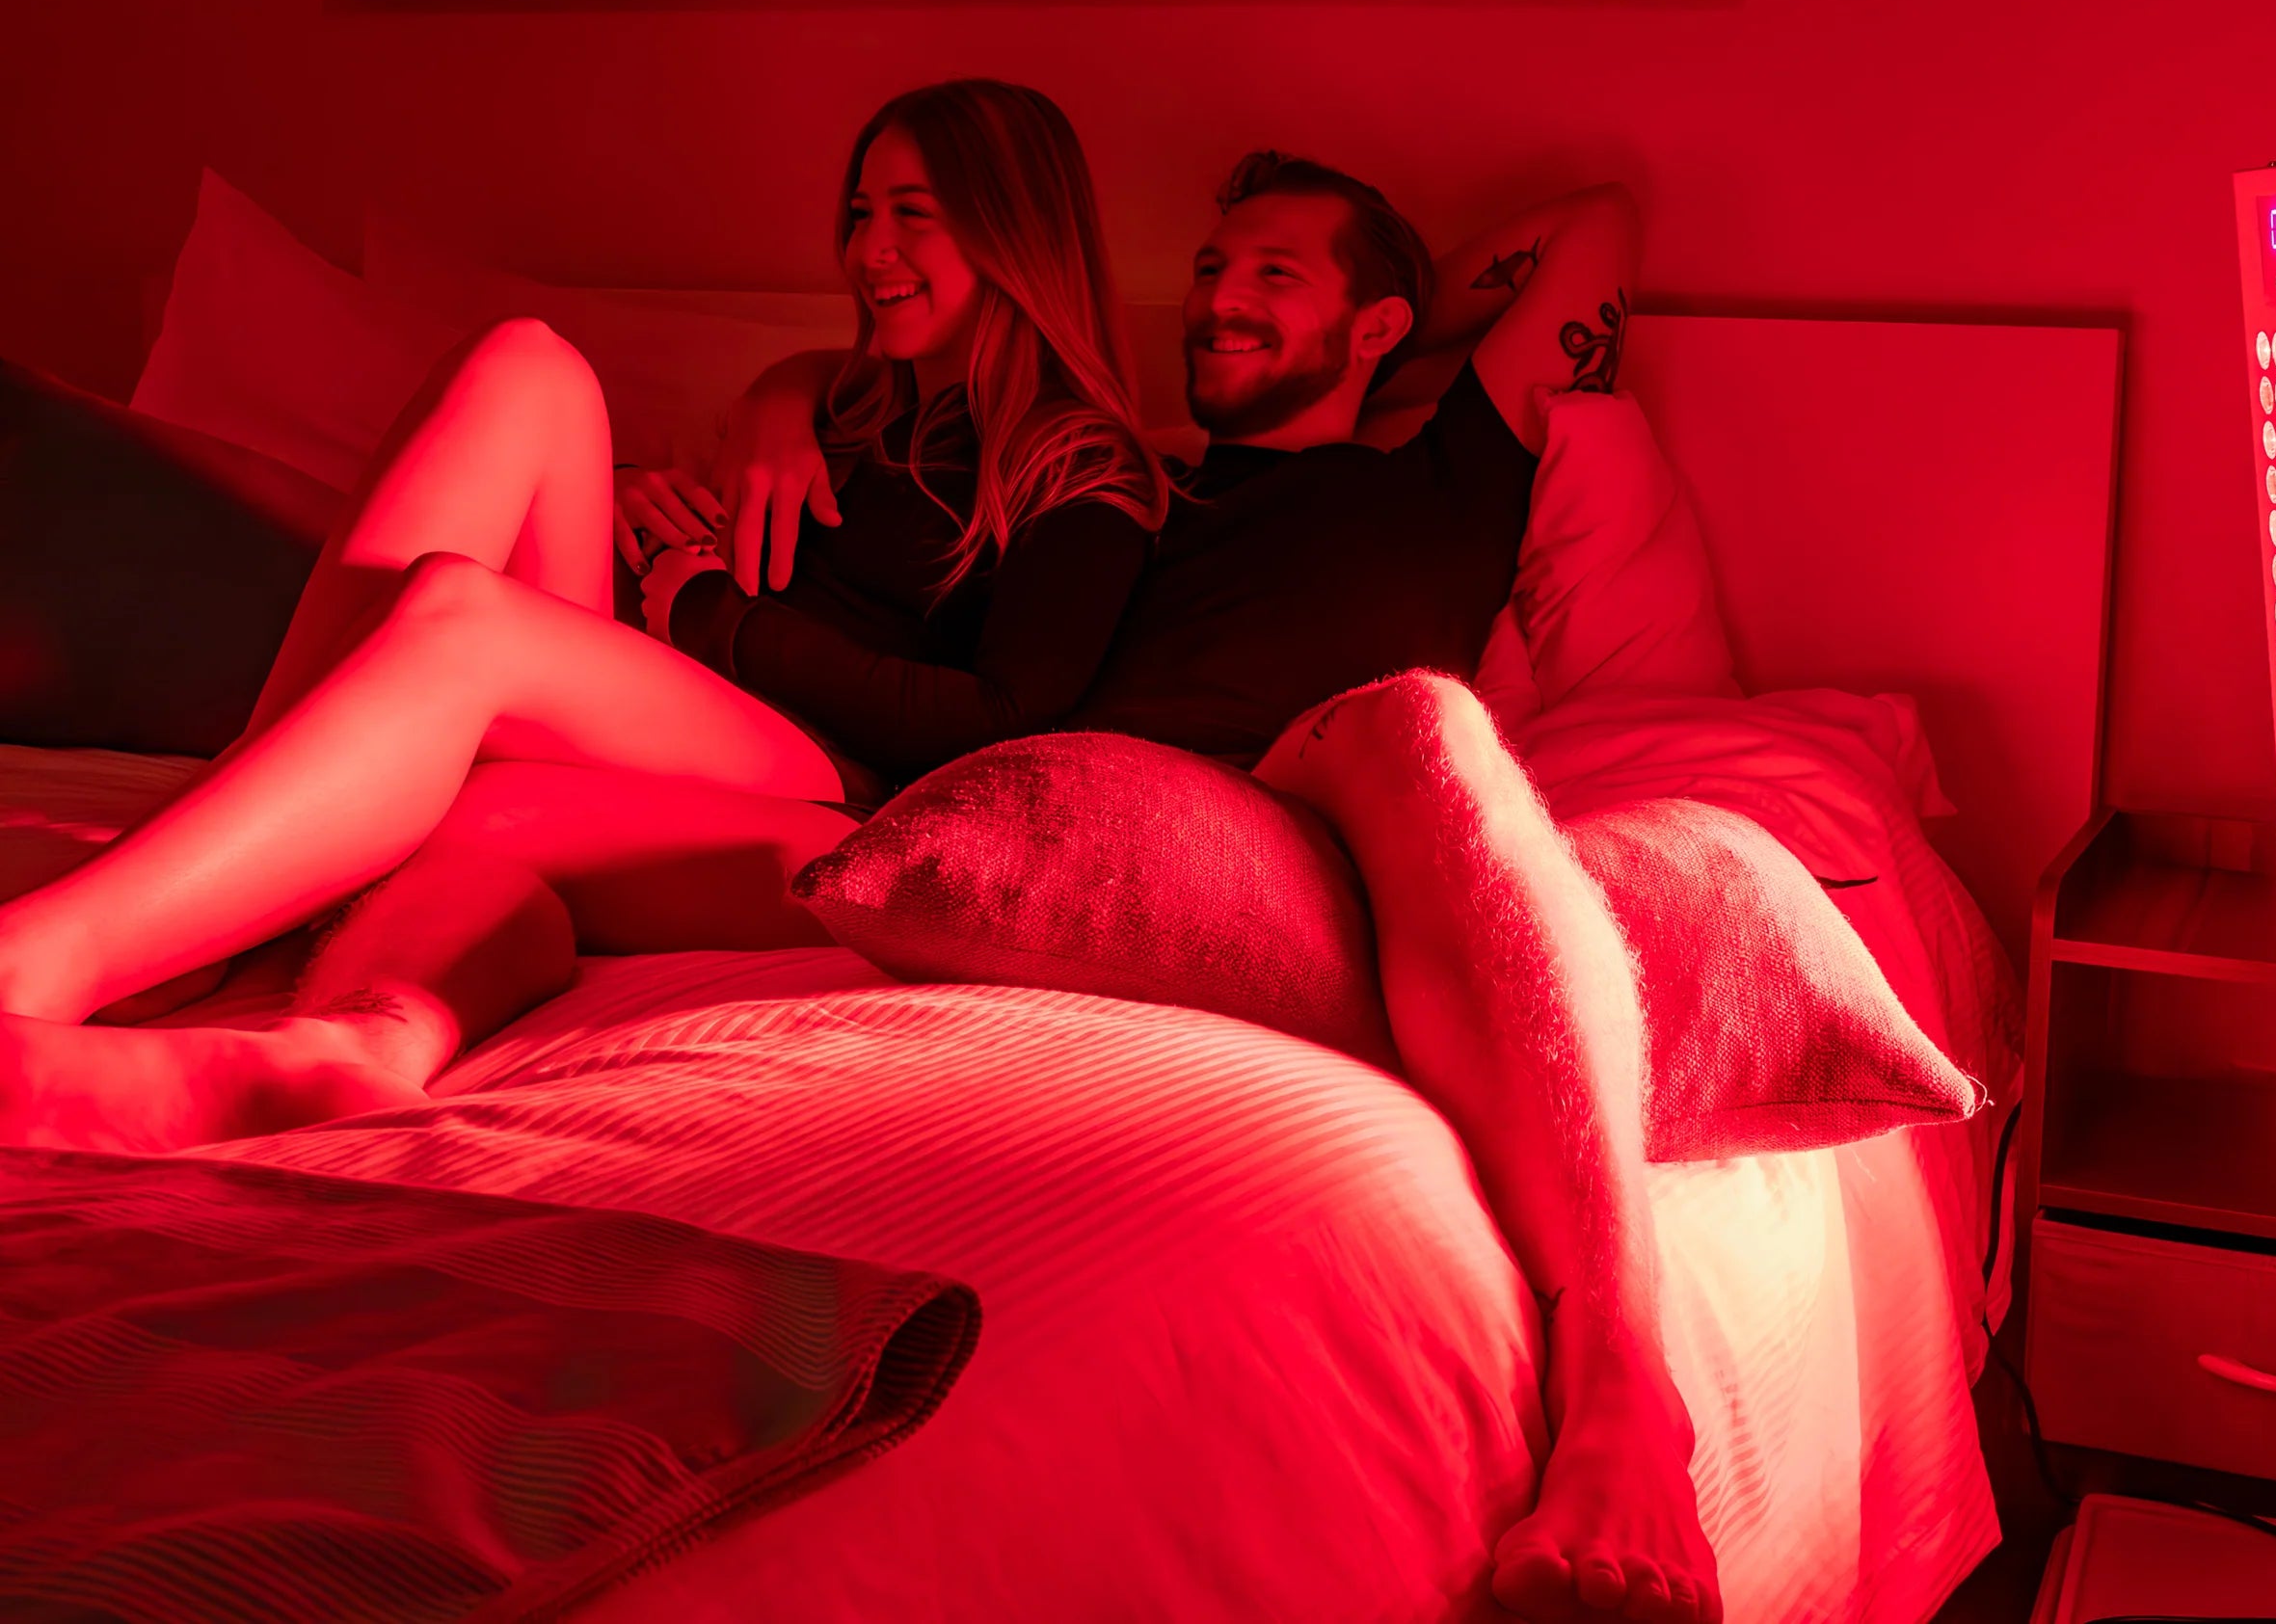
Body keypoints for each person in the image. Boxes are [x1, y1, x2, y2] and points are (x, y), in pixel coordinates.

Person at [735, 151, 1708, 1624]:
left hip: (1305, 816)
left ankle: (1627, 1377)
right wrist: (772, 396)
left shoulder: (1443, 468)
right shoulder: (1107, 478)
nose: (1217, 304)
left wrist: (1400, 317)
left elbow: (1596, 228)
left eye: (1270, 274)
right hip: (1051, 824)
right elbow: (907, 397)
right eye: (1206, 273)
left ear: (1378, 325)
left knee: (1422, 725)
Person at [0, 78, 1166, 1147]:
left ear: (1015, 229)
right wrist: (665, 504)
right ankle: (335, 1042)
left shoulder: (1084, 473)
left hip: (841, 781)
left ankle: (55, 952)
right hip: (693, 705)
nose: (873, 251)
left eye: (915, 213)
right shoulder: (847, 403)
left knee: (460, 618)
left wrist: (716, 613)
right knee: (529, 364)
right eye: (862, 214)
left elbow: (999, 723)